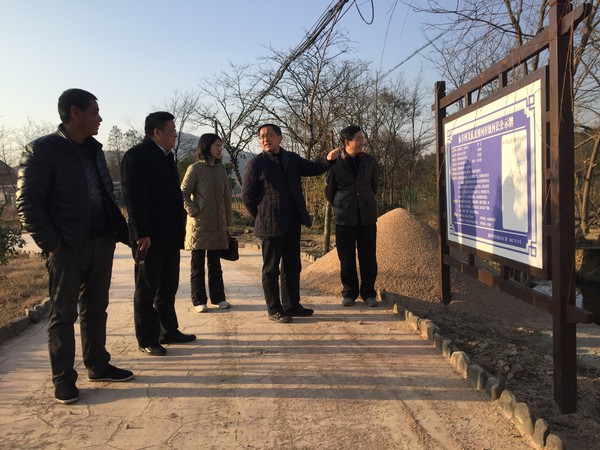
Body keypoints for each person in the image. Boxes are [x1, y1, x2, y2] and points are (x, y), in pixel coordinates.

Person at [15, 88, 134, 404]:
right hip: (67, 248)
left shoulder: (94, 150)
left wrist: (117, 231)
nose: (100, 118)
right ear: (75, 113)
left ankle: (98, 364)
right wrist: (53, 244)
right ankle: (64, 379)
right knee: (63, 315)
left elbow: (105, 193)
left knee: (96, 309)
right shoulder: (42, 150)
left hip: (101, 242)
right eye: (95, 111)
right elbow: (27, 202)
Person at [241, 123, 341, 323]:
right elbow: (247, 197)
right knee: (271, 269)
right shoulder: (256, 164)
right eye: (261, 137)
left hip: (292, 223)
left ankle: (292, 305)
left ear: (280, 138)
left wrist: (328, 160)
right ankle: (274, 309)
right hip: (271, 226)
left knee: (292, 266)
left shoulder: (291, 159)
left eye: (270, 135)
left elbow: (314, 168)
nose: (265, 139)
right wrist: (261, 216)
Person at [121, 111, 196, 356]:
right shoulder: (136, 157)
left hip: (169, 235)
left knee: (168, 286)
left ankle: (168, 330)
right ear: (157, 132)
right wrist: (142, 232)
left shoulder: (166, 157)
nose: (175, 134)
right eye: (172, 130)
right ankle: (147, 338)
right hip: (148, 237)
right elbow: (134, 199)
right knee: (146, 288)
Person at [325, 125, 379, 307]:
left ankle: (368, 293)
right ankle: (349, 292)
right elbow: (329, 192)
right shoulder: (335, 164)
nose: (362, 141)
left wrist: (364, 201)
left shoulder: (370, 161)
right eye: (358, 138)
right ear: (347, 142)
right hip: (344, 218)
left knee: (368, 257)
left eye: (362, 138)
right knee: (346, 258)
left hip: (367, 217)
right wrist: (343, 205)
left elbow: (374, 187)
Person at [181, 133, 233, 313]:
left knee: (215, 264)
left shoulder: (221, 170)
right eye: (216, 145)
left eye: (221, 145)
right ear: (206, 147)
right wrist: (193, 210)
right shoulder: (194, 168)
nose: (220, 148)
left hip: (218, 225)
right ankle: (198, 300)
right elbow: (183, 193)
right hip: (199, 225)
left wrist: (228, 221)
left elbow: (227, 197)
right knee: (197, 266)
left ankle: (218, 298)